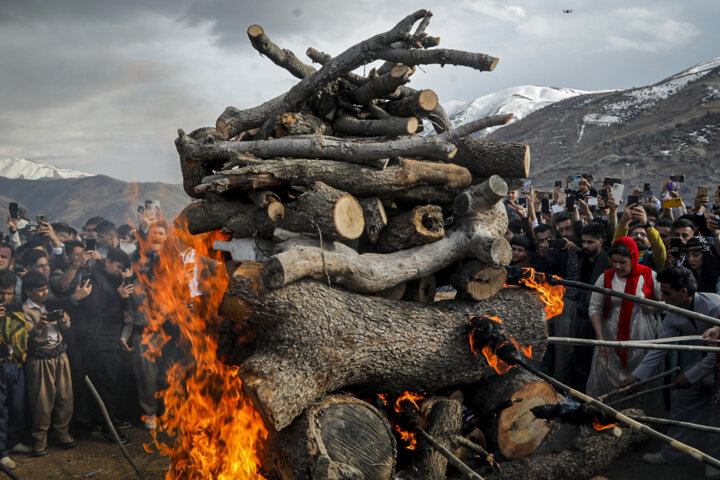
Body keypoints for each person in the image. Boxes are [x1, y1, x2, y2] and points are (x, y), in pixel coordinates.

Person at [622, 267, 720, 478]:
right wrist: (637, 377)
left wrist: (689, 376)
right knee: (680, 397)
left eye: (667, 293)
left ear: (683, 292)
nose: (662, 298)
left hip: (716, 365)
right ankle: (674, 452)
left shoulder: (713, 306)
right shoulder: (674, 312)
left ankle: (715, 460)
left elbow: (714, 354)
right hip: (706, 364)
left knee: (718, 410)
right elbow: (660, 347)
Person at [586, 237, 662, 407]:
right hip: (610, 341)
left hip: (642, 342)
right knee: (606, 384)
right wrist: (600, 337)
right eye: (614, 262)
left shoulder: (650, 276)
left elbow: (666, 302)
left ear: (633, 258)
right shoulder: (605, 278)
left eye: (622, 262)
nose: (618, 266)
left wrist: (654, 308)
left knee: (640, 384)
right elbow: (595, 308)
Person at [21, 271, 77, 456]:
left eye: (45, 288)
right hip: (39, 359)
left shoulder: (52, 304)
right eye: (39, 290)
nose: (44, 292)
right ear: (28, 291)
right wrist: (38, 327)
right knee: (42, 401)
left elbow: (64, 328)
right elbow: (24, 337)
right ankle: (40, 436)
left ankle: (62, 431)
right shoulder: (25, 310)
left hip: (60, 355)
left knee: (65, 396)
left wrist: (65, 321)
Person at [0, 271, 31, 469]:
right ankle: (1, 452)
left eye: (9, 293)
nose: (5, 298)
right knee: (0, 410)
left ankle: (13, 441)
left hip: (15, 364)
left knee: (17, 406)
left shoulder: (15, 311)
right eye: (1, 294)